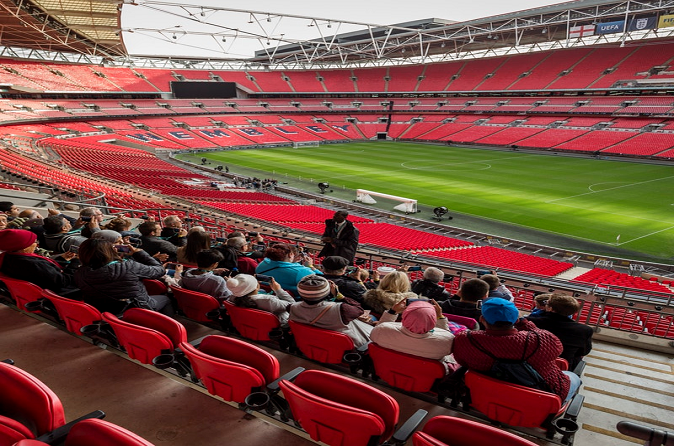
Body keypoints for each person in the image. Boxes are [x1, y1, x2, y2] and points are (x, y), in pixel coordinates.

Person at [452, 298, 580, 403]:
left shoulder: (465, 339)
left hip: (484, 392)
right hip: (536, 398)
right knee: (574, 377)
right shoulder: (543, 339)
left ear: (482, 319)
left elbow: (461, 360)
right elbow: (557, 349)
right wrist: (525, 324)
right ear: (516, 320)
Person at [75, 238, 173, 316]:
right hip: (135, 307)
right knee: (166, 299)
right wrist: (139, 253)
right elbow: (160, 270)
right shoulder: (129, 266)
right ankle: (166, 328)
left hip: (104, 309)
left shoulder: (80, 272)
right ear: (110, 251)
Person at [370, 299, 460, 373]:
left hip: (386, 372)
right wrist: (440, 317)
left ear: (404, 316)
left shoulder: (382, 330)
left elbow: (378, 330)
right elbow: (445, 336)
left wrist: (392, 312)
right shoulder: (446, 342)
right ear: (433, 321)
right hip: (424, 379)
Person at [289, 275, 372, 347]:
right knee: (372, 318)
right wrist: (340, 296)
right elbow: (359, 310)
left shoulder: (291, 307)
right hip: (342, 346)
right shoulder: (342, 309)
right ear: (326, 292)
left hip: (314, 342)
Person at [0, 229, 78, 294]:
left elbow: (45, 271)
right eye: (34, 242)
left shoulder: (8, 257)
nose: (37, 245)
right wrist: (76, 262)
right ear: (24, 247)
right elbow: (63, 281)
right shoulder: (32, 264)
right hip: (58, 293)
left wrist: (62, 259)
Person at [527, 294, 594, 370]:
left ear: (550, 308)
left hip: (528, 367)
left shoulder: (530, 322)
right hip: (562, 370)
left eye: (547, 303)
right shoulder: (584, 330)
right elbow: (583, 352)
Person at [255, 243, 322, 295]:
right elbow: (322, 280)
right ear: (290, 255)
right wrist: (311, 266)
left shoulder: (262, 263)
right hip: (294, 300)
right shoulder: (300, 271)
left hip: (267, 294)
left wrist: (293, 263)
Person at [227, 274, 294, 325]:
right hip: (275, 327)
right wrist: (278, 290)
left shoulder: (232, 298)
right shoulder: (269, 301)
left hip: (251, 325)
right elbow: (293, 306)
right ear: (256, 287)